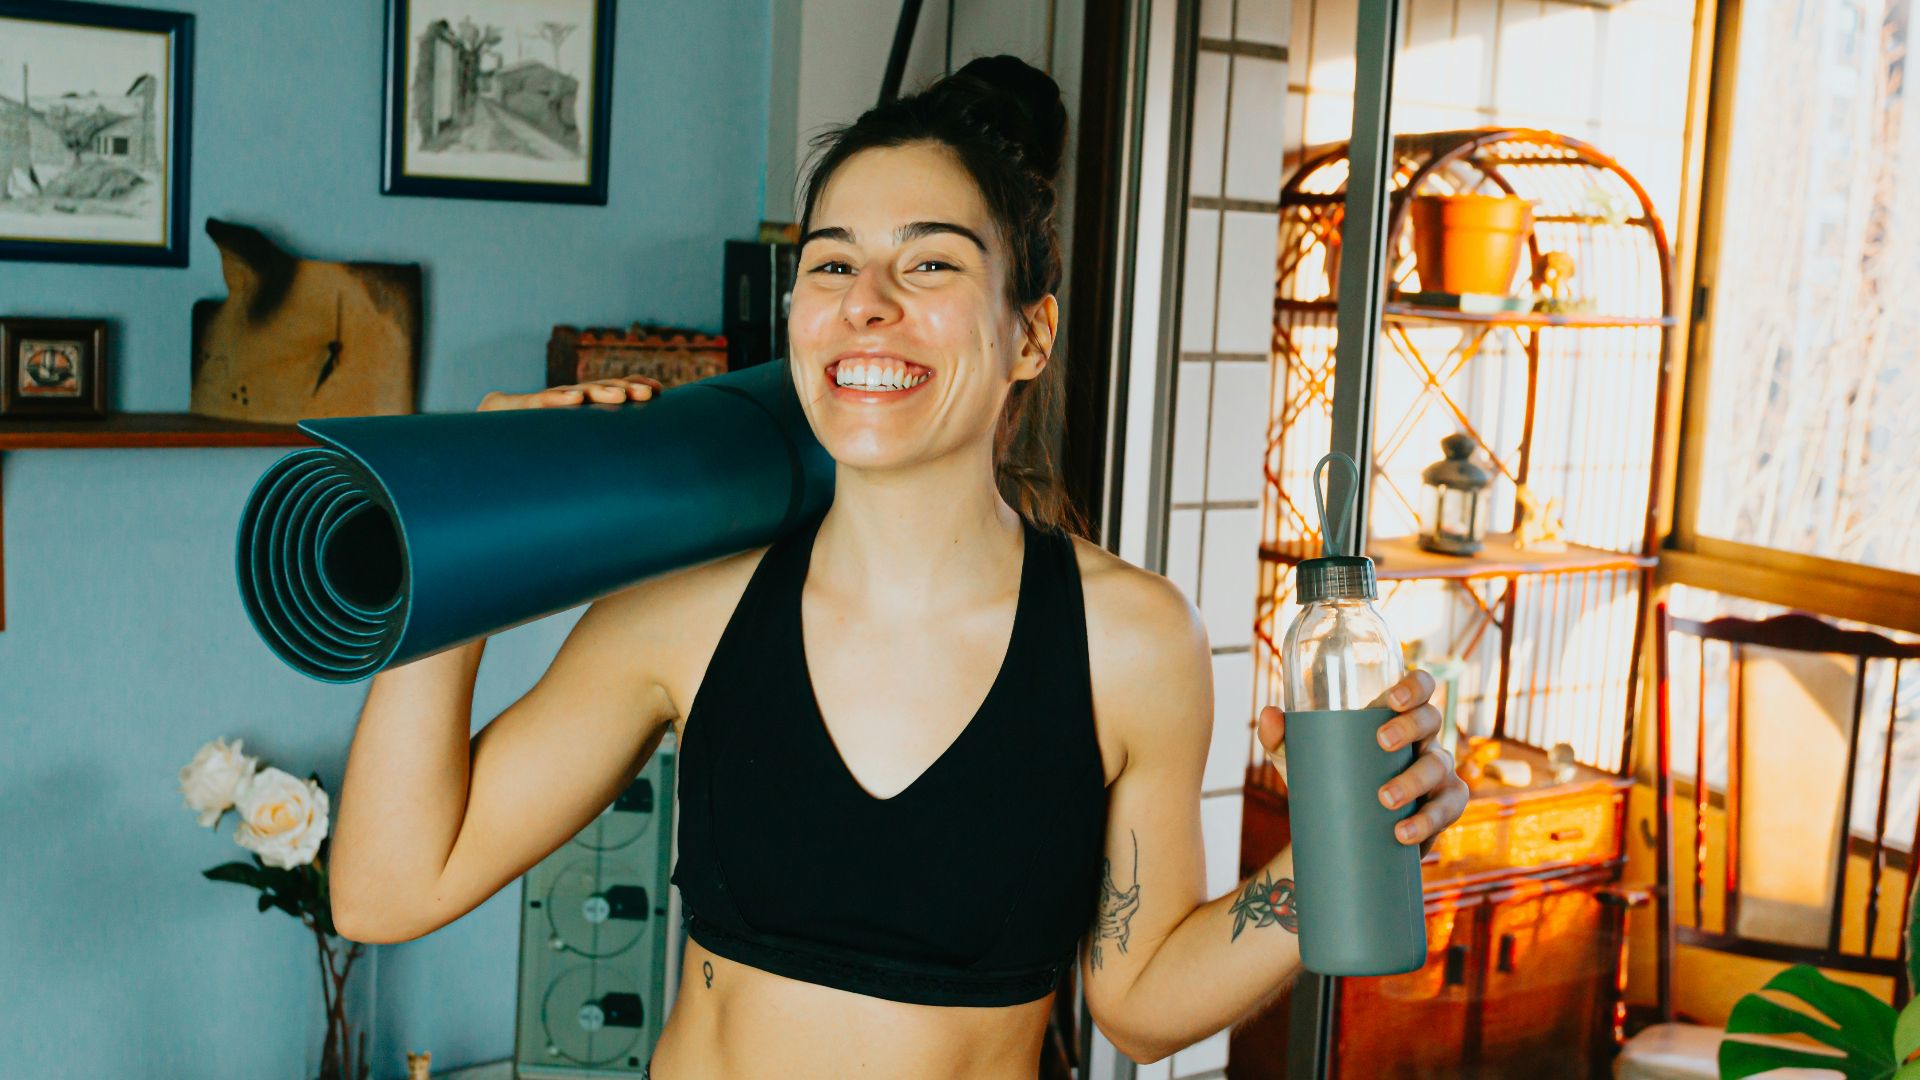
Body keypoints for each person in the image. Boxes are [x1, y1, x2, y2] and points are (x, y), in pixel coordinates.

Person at [327, 55, 1470, 1079]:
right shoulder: (687, 613)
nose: (866, 304)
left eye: (930, 263)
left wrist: (1335, 857)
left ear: (1029, 335)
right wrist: (457, 526)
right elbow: (386, 890)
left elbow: (1143, 1002)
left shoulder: (1127, 640)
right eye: (831, 266)